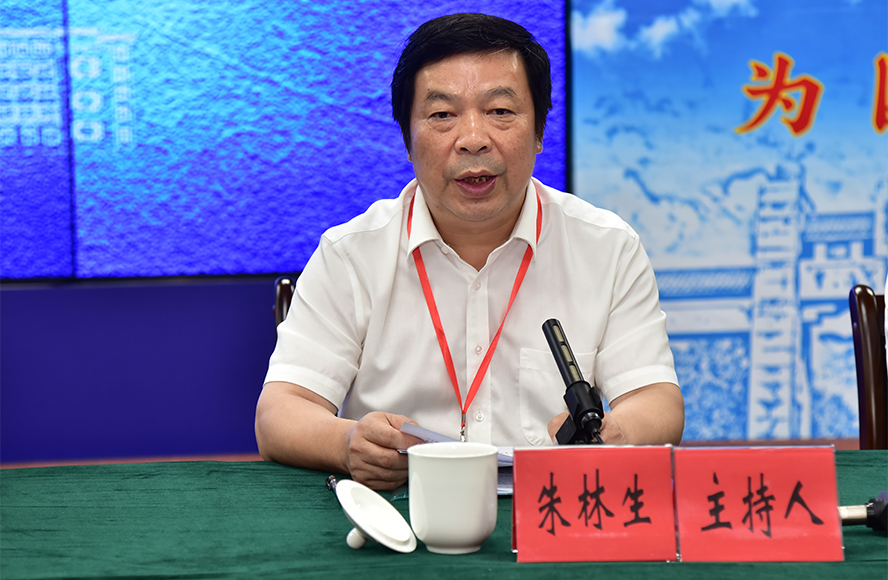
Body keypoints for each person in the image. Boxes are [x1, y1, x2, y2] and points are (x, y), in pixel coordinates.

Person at [255, 13, 684, 490]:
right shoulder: (350, 254)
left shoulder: (607, 247)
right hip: (399, 508)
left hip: (550, 506)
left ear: (540, 132)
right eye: (442, 115)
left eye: (500, 111)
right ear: (407, 140)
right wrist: (349, 441)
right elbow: (280, 412)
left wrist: (618, 434)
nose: (473, 139)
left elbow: (656, 399)